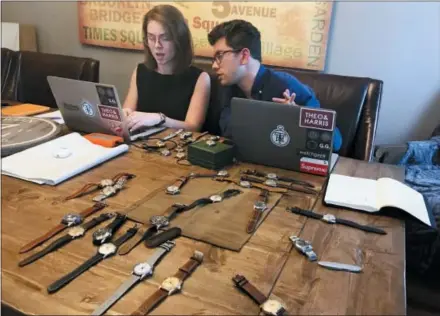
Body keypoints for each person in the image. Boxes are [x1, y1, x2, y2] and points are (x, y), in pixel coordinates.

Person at [207, 19, 342, 152]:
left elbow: (334, 142)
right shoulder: (227, 86)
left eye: (220, 55)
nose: (214, 65)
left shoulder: (285, 86)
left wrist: (297, 117)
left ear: (244, 56)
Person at [123, 5, 211, 132]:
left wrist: (160, 119)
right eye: (151, 38)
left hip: (176, 147)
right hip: (141, 144)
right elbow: (128, 112)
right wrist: (125, 115)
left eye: (165, 38)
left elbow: (193, 127)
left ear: (179, 39)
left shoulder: (200, 78)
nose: (157, 45)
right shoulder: (141, 71)